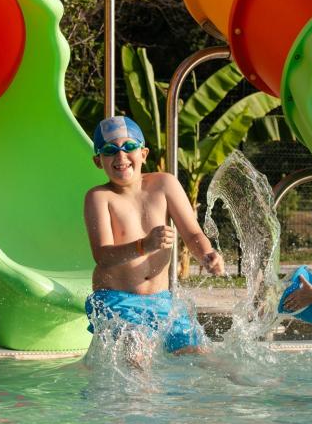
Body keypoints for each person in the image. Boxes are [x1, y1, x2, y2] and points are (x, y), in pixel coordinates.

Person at [84, 115, 224, 359]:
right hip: (117, 301)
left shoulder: (164, 185)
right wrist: (144, 245)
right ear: (98, 161)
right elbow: (102, 256)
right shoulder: (99, 197)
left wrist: (207, 253)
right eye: (110, 150)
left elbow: (192, 234)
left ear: (144, 153)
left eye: (129, 147)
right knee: (136, 357)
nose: (121, 157)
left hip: (162, 303)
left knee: (203, 356)